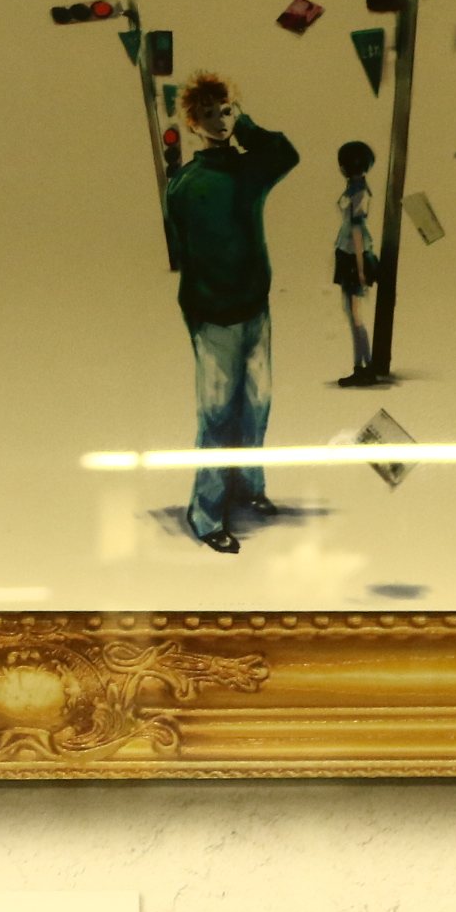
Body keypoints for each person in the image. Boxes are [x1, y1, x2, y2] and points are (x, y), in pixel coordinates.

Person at [161, 72, 299, 552]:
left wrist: (247, 127)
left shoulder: (249, 168)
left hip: (255, 308)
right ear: (193, 123)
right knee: (217, 415)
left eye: (226, 111)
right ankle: (206, 516)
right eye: (209, 114)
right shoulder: (185, 186)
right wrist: (204, 310)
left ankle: (248, 488)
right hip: (214, 316)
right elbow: (187, 253)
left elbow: (286, 154)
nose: (220, 121)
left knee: (257, 405)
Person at [332, 139, 379, 386]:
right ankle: (362, 366)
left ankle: (364, 368)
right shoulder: (355, 187)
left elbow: (358, 229)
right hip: (349, 254)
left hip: (354, 256)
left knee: (356, 317)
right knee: (353, 316)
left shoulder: (358, 190)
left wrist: (360, 269)